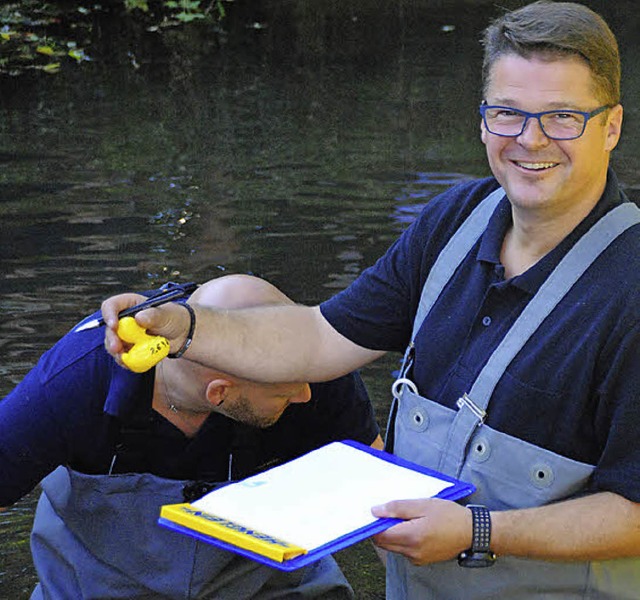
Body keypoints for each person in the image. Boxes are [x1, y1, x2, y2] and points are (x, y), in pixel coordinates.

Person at [103, 1, 640, 598]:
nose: (530, 140)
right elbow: (320, 336)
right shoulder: (454, 222)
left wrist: (477, 530)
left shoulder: (631, 288)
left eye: (563, 117)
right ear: (483, 119)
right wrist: (186, 325)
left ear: (611, 126)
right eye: (508, 114)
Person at [0, 274, 384, 599]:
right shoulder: (74, 381)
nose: (306, 396)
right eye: (286, 393)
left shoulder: (315, 369)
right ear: (219, 393)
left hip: (273, 587)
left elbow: (387, 503)